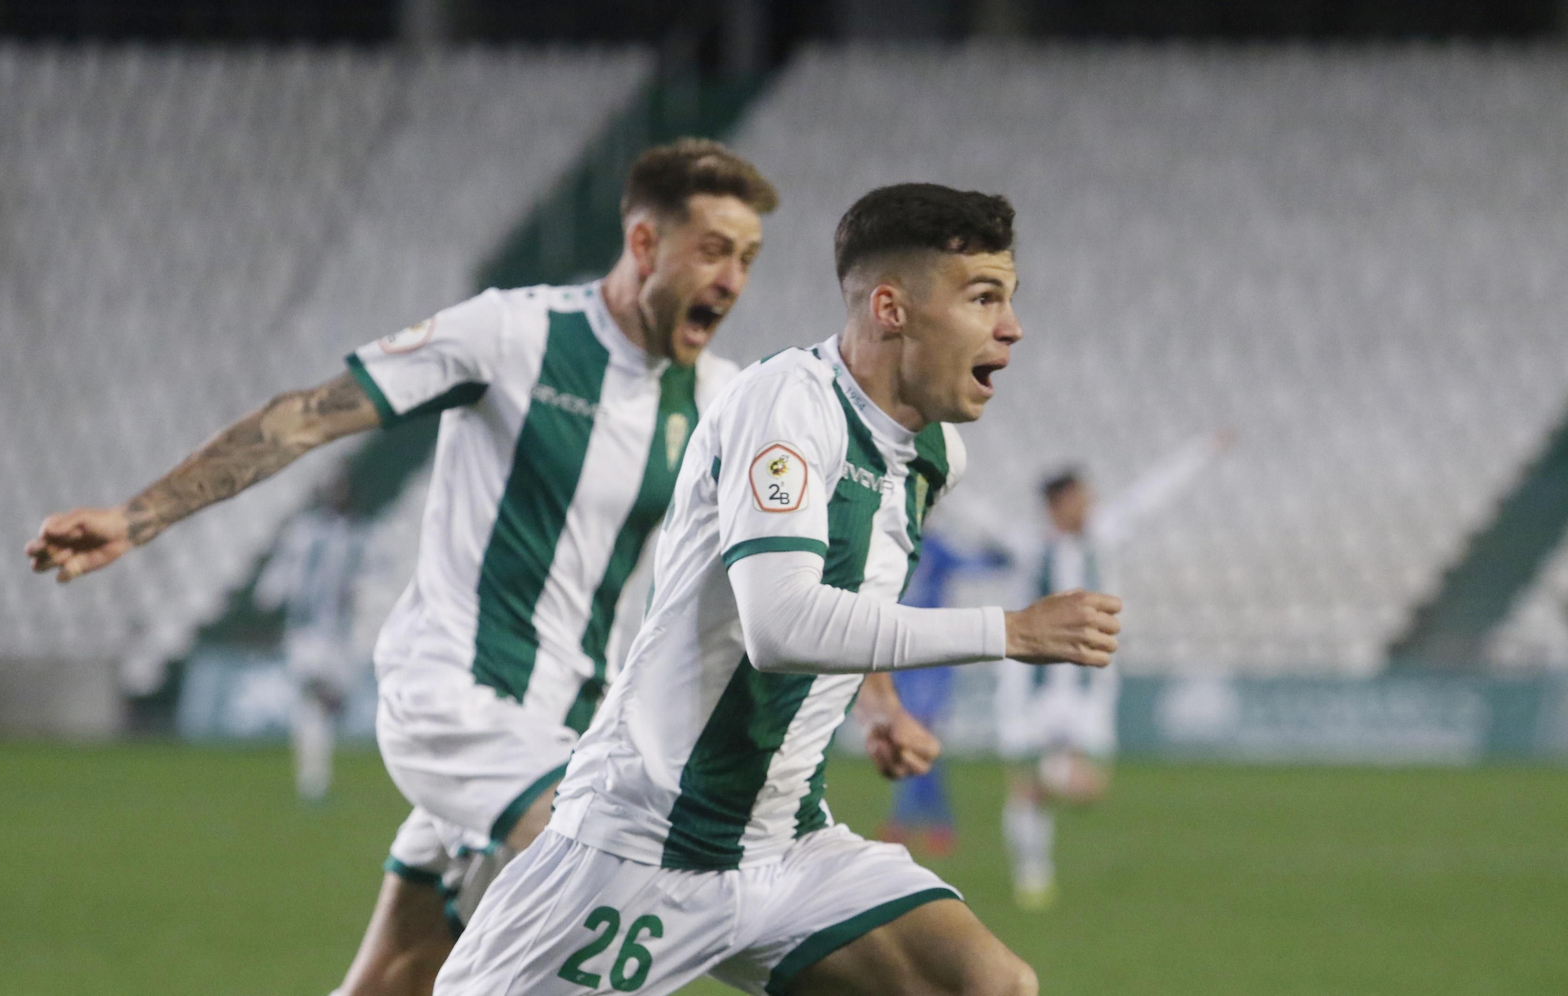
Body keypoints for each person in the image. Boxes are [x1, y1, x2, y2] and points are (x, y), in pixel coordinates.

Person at [25, 139, 777, 996]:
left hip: (567, 731)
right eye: (713, 250)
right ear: (644, 244)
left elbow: (782, 565)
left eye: (748, 259)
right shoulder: (512, 333)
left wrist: (875, 695)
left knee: (398, 975)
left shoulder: (722, 398)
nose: (733, 280)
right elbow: (309, 416)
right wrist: (138, 514)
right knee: (609, 873)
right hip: (454, 699)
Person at [432, 183, 1123, 996]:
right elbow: (780, 620)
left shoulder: (932, 455)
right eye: (984, 298)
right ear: (892, 309)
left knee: (988, 985)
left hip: (786, 847)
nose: (1011, 327)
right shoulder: (785, 404)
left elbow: (846, 585)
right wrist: (1009, 630)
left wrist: (880, 702)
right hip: (645, 837)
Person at [997, 432, 1232, 910]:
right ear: (1058, 502)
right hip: (1035, 688)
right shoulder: (1025, 545)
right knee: (1032, 786)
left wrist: (1202, 451)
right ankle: (1033, 873)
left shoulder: (1102, 536)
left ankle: (1044, 782)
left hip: (1089, 686)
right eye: (1082, 495)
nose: (1091, 503)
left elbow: (1152, 496)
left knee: (1085, 788)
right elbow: (968, 512)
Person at [879, 532, 1007, 855]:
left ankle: (922, 823)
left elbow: (970, 565)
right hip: (898, 655)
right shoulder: (885, 543)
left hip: (932, 657)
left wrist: (994, 559)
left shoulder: (932, 547)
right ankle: (926, 823)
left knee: (918, 734)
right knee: (905, 737)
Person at [252, 473, 372, 801]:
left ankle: (315, 771)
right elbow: (277, 579)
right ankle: (313, 781)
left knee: (331, 704)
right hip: (307, 635)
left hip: (337, 637)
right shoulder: (310, 533)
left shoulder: (355, 536)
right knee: (313, 702)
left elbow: (369, 585)